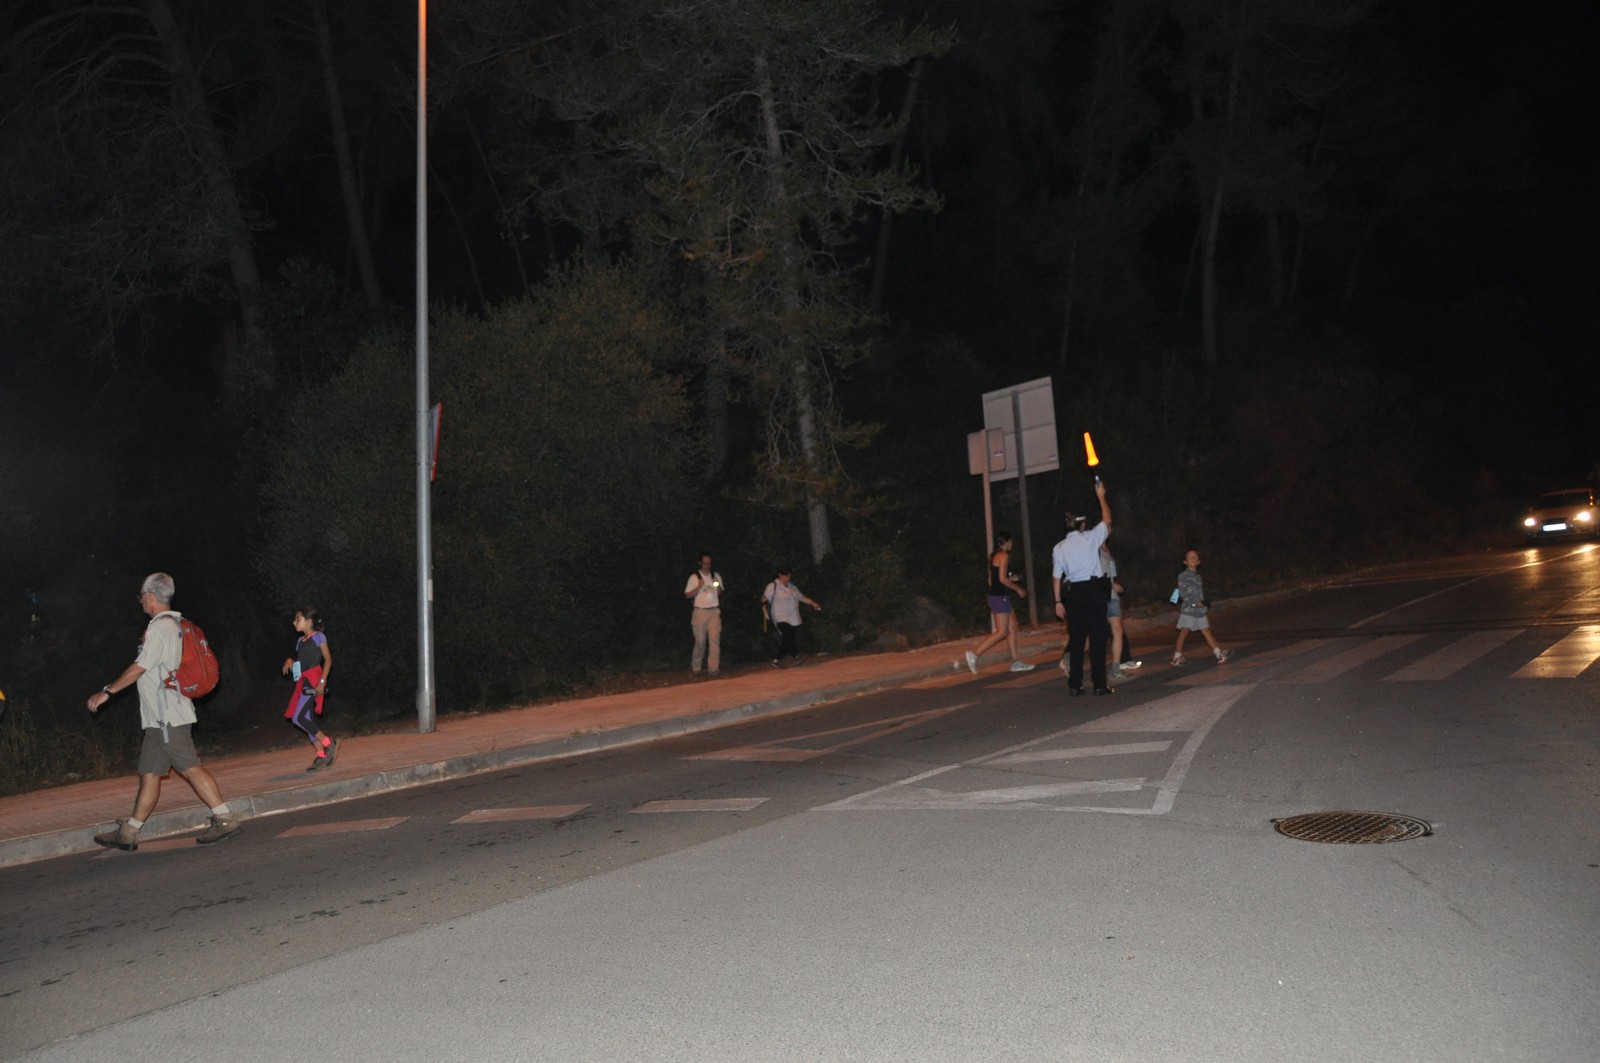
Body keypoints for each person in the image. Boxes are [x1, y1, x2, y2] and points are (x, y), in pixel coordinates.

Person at [85, 572, 242, 850]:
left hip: (167, 715)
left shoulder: (161, 627)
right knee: (149, 773)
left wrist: (107, 692)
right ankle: (130, 832)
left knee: (190, 768)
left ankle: (226, 818)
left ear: (150, 596)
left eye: (141, 597)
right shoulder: (174, 624)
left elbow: (139, 668)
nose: (140, 602)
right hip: (160, 718)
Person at [1051, 480, 1114, 695]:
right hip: (1093, 591)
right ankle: (1099, 685)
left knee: (1077, 640)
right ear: (1082, 524)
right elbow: (1107, 521)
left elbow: (1056, 578)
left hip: (1074, 594)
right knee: (1097, 638)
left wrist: (1058, 601)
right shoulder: (1090, 538)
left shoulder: (1059, 548)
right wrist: (1101, 497)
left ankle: (1075, 685)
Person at [964, 532, 1035, 674]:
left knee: (1013, 628)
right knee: (1002, 632)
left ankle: (1016, 663)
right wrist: (1018, 589)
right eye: (1011, 542)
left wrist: (1012, 579)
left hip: (999, 596)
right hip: (999, 597)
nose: (1012, 545)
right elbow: (1002, 579)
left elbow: (992, 580)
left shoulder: (995, 556)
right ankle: (974, 654)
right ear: (1006, 542)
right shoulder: (1004, 555)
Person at [282, 606, 339, 771]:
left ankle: (329, 743)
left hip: (314, 680)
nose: (294, 622)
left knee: (298, 718)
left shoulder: (318, 637)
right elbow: (302, 664)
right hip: (303, 682)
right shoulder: (300, 641)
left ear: (308, 621)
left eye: (297, 619)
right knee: (306, 719)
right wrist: (290, 661)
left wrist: (322, 681)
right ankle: (321, 755)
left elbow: (328, 660)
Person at [1172, 548, 1232, 666]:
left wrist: (1204, 604)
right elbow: (1183, 594)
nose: (1193, 559)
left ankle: (1219, 655)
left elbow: (1200, 594)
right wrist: (1195, 603)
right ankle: (1177, 656)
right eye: (1190, 557)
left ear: (1199, 562)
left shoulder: (1198, 577)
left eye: (1195, 557)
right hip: (1189, 610)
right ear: (1185, 562)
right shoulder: (1183, 576)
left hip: (1200, 611)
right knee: (1184, 632)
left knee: (1206, 631)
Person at [762, 568, 821, 666]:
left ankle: (777, 660)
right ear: (780, 575)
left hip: (793, 617)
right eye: (786, 576)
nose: (788, 578)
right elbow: (765, 598)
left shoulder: (792, 587)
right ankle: (797, 655)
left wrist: (813, 603)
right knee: (788, 634)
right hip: (780, 616)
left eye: (789, 575)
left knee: (788, 638)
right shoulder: (773, 586)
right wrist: (764, 603)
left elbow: (800, 597)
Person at [1102, 542, 1142, 681]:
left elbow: (1112, 574)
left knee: (1118, 630)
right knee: (1097, 634)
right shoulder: (1092, 547)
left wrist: (1114, 585)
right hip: (1100, 596)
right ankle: (1070, 655)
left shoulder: (1107, 550)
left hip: (1112, 596)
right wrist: (1109, 585)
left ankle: (1117, 668)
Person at [684, 553, 724, 676]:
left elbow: (719, 593)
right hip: (700, 612)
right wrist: (698, 587)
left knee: (714, 640)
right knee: (700, 641)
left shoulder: (715, 576)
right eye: (705, 563)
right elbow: (687, 595)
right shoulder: (694, 577)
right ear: (700, 563)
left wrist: (717, 585)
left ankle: (714, 668)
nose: (707, 565)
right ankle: (696, 667)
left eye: (709, 563)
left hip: (714, 611)